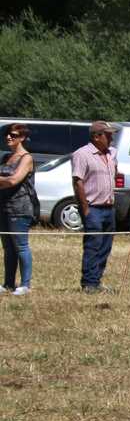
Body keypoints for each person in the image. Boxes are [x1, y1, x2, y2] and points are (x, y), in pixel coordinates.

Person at [72, 120, 119, 293]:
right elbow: (78, 182)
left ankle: (97, 280)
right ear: (97, 137)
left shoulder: (112, 153)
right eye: (108, 135)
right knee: (93, 245)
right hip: (93, 208)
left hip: (109, 208)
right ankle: (89, 283)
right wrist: (85, 209)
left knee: (106, 246)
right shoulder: (81, 154)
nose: (111, 138)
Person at [0, 123, 37, 295]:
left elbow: (14, 180)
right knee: (8, 247)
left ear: (22, 138)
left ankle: (25, 284)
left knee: (21, 246)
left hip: (20, 208)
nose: (9, 137)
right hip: (3, 207)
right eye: (7, 134)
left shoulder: (27, 158)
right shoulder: (6, 157)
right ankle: (8, 283)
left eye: (13, 135)